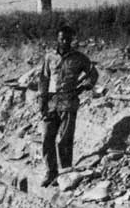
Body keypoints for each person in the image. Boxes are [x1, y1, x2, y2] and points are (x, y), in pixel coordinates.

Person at [38, 25, 99, 187]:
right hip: (50, 103)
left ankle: (64, 175)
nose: (64, 41)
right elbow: (44, 79)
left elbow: (93, 74)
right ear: (57, 39)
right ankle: (50, 173)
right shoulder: (49, 57)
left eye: (68, 39)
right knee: (47, 138)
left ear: (71, 40)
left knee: (64, 140)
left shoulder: (79, 58)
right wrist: (41, 101)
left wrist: (84, 86)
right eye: (61, 38)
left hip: (69, 103)